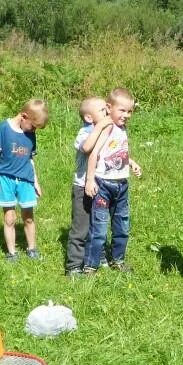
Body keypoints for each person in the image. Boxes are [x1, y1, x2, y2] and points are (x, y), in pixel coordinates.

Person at [82, 87, 143, 274]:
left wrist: (131, 162)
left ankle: (118, 260)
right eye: (122, 110)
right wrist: (90, 180)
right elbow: (93, 154)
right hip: (103, 184)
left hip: (121, 184)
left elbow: (117, 151)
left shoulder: (122, 128)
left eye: (129, 111)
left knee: (122, 225)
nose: (126, 115)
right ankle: (90, 265)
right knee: (99, 228)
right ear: (109, 108)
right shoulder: (107, 126)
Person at [0, 99, 49, 262]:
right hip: (5, 179)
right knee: (10, 218)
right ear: (24, 116)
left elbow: (30, 159)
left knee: (28, 216)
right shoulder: (4, 128)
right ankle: (12, 253)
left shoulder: (30, 134)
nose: (34, 130)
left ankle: (32, 249)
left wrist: (36, 182)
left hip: (25, 181)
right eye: (33, 126)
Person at [65, 97, 112, 276]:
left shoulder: (109, 131)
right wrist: (99, 128)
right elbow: (87, 148)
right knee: (81, 227)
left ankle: (98, 255)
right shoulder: (85, 132)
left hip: (102, 185)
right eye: (102, 110)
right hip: (82, 186)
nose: (107, 113)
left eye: (107, 109)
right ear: (89, 118)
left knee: (98, 224)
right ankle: (74, 266)